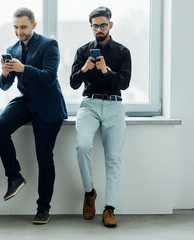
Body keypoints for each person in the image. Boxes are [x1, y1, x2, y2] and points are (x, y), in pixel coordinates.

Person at [0, 7, 67, 224]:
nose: (19, 32)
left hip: (48, 104)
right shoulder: (12, 48)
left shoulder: (48, 44)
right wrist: (5, 73)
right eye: (15, 27)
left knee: (44, 158)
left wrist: (24, 68)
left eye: (23, 27)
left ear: (34, 25)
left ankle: (43, 208)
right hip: (26, 100)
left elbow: (50, 77)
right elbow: (5, 86)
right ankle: (14, 176)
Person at [70, 6, 131, 228]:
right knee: (82, 146)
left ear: (110, 25)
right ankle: (89, 192)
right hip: (90, 104)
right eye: (95, 26)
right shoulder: (83, 51)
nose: (99, 29)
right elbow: (74, 83)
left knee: (113, 158)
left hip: (115, 105)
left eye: (103, 25)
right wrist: (85, 68)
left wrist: (106, 70)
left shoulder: (123, 52)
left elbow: (124, 83)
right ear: (91, 27)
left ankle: (109, 208)